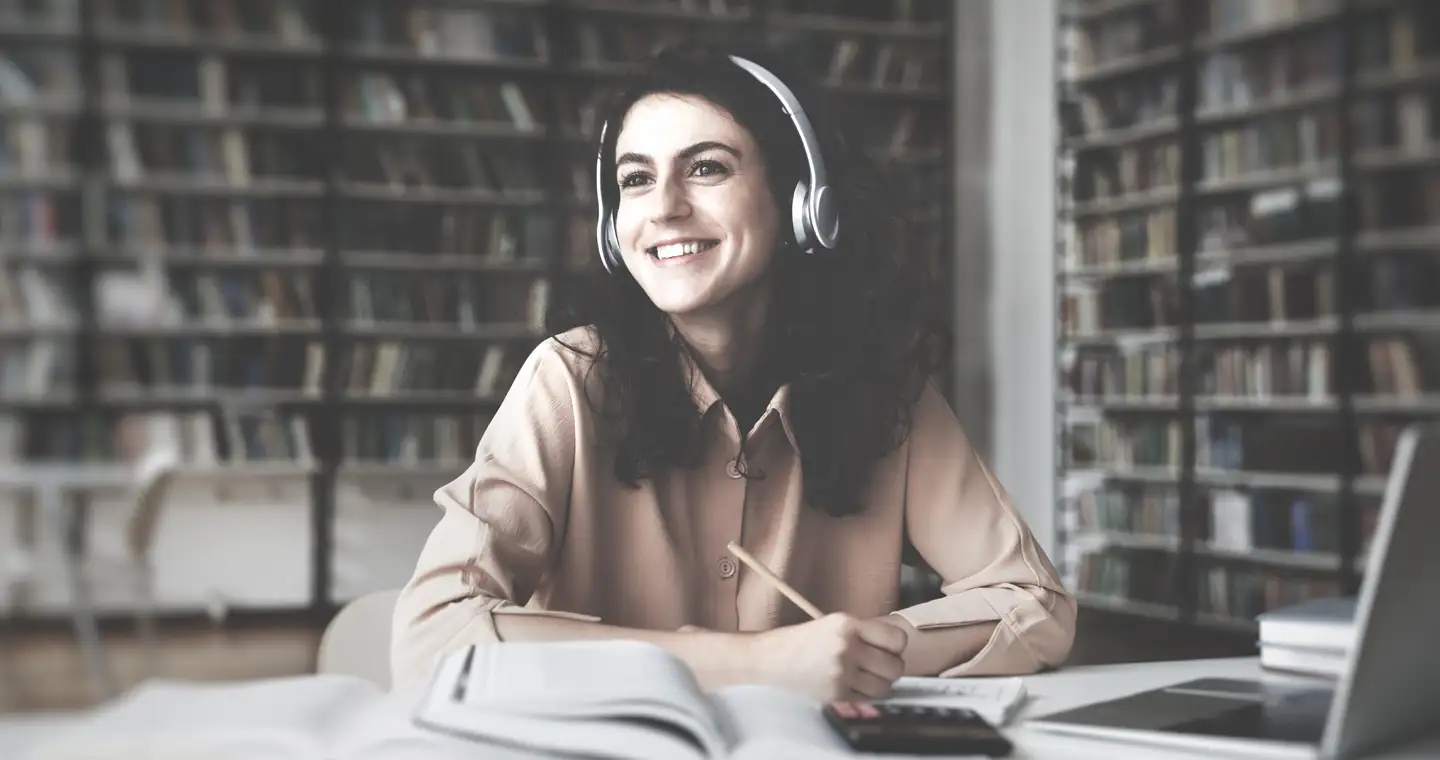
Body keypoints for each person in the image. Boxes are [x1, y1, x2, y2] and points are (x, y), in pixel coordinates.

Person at [391, 42, 1076, 700]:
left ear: (804, 204)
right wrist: (748, 663)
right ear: (612, 230)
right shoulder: (568, 379)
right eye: (635, 180)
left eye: (706, 168)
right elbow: (431, 640)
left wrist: (867, 650)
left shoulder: (884, 387)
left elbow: (1033, 602)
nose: (663, 208)